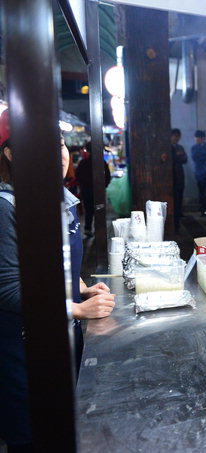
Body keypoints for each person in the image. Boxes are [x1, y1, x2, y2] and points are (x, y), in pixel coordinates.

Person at [0, 111, 115, 451]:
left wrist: (79, 285)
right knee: (36, 437)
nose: (58, 152)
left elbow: (47, 262)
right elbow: (9, 290)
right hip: (25, 350)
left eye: (61, 143)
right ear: (10, 153)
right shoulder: (6, 208)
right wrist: (78, 310)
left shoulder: (58, 198)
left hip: (59, 340)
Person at [74, 142, 111, 236]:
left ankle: (88, 229)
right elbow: (108, 176)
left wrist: (83, 184)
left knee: (88, 210)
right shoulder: (102, 162)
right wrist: (104, 186)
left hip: (86, 190)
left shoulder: (83, 162)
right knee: (99, 209)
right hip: (98, 190)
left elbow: (77, 176)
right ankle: (99, 229)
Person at [191, 130, 206, 217]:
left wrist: (201, 156)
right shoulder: (194, 148)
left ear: (203, 138)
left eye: (197, 138)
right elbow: (195, 158)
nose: (196, 140)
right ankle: (203, 210)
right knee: (201, 193)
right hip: (199, 173)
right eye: (196, 138)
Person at [170, 128, 187, 232]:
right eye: (175, 136)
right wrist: (177, 156)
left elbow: (185, 159)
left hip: (180, 177)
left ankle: (177, 224)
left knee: (179, 201)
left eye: (178, 136)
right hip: (172, 178)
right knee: (174, 202)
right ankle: (174, 226)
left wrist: (180, 156)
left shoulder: (180, 147)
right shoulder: (167, 147)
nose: (177, 138)